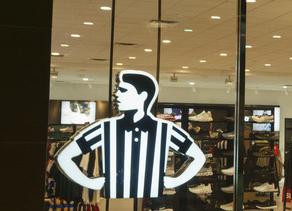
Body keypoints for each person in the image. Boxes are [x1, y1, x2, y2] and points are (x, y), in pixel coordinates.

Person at [56, 70, 206, 198]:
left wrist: (175, 181)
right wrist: (88, 182)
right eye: (116, 89)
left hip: (149, 189)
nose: (116, 94)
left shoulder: (164, 129)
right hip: (116, 191)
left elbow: (198, 157)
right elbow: (63, 157)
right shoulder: (105, 127)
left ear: (143, 96)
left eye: (122, 90)